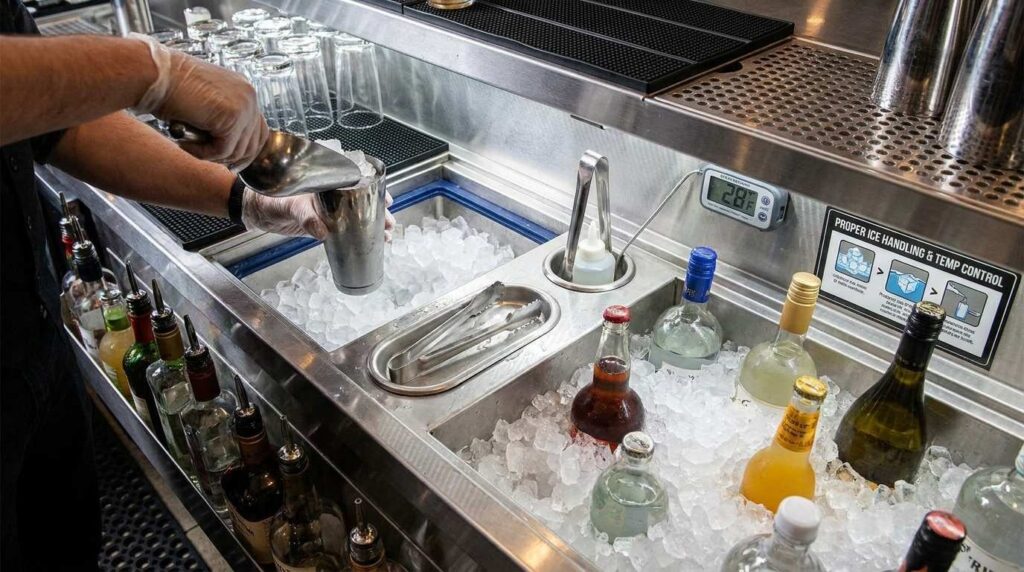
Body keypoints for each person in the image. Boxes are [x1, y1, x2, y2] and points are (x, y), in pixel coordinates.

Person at [1, 1, 383, 568]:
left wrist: (248, 201)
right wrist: (152, 73)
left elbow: (58, 125)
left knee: (67, 543)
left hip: (32, 337)